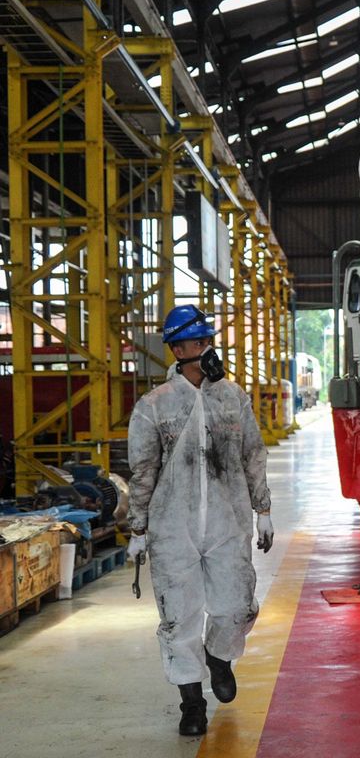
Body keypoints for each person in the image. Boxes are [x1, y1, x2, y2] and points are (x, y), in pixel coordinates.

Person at [126, 304, 274, 736]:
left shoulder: (233, 397)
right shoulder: (154, 406)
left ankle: (219, 656)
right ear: (176, 349)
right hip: (173, 527)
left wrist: (263, 510)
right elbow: (144, 470)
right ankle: (191, 704)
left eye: (208, 341)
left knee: (238, 606)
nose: (207, 349)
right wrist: (138, 528)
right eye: (198, 342)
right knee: (179, 616)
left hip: (229, 523)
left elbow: (252, 454)